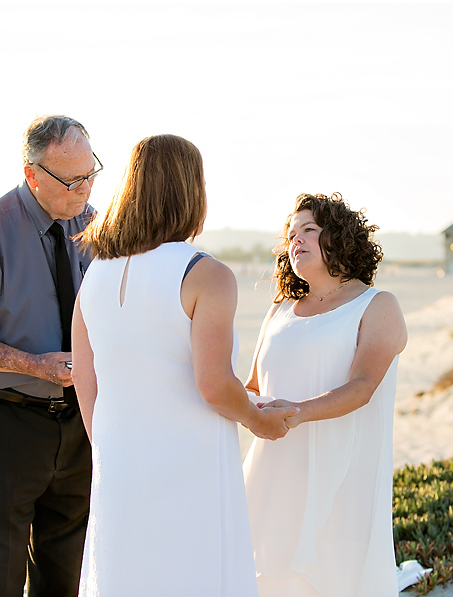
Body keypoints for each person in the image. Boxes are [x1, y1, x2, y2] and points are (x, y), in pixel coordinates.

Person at [71, 134, 298, 596]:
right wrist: (259, 421)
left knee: (126, 576)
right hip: (189, 460)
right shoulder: (206, 274)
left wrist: (108, 442)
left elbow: (83, 374)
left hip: (118, 456)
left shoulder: (95, 273)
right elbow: (213, 384)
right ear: (192, 191)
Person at [0, 115, 100, 596]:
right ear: (32, 174)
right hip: (1, 425)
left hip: (77, 427)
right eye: (72, 180)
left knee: (65, 576)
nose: (85, 189)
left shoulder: (94, 227)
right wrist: (35, 365)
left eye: (91, 173)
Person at [242, 192, 408, 596]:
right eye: (290, 233)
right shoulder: (280, 310)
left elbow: (363, 387)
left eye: (309, 230)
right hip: (274, 474)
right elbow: (253, 389)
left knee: (334, 580)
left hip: (340, 478)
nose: (295, 239)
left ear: (341, 237)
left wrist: (298, 411)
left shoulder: (377, 305)